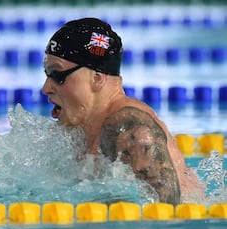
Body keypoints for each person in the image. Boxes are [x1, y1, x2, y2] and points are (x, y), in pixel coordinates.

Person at [42, 17, 203, 205]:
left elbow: (164, 216)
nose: (46, 88)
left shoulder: (129, 127)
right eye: (47, 75)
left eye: (57, 74)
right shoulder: (81, 131)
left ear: (97, 78)